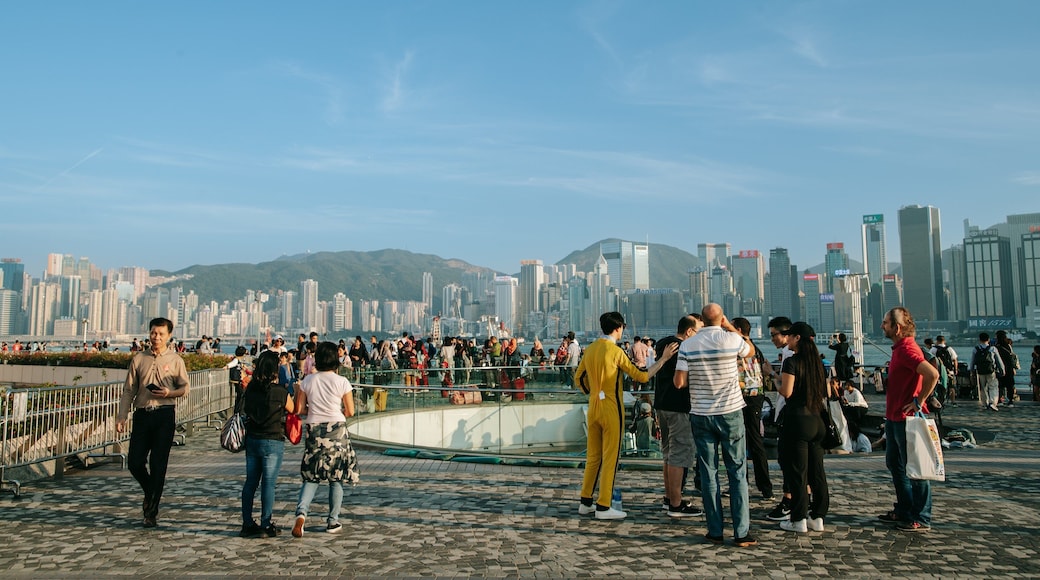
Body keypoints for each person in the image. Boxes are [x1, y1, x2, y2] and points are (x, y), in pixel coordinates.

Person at [575, 312, 677, 520]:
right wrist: (664, 359)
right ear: (619, 327)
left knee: (593, 457)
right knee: (611, 457)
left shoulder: (591, 348)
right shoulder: (615, 351)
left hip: (594, 406)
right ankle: (604, 505)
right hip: (611, 408)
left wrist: (593, 392)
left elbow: (579, 378)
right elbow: (641, 375)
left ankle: (586, 501)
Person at [674, 303, 757, 547]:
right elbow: (750, 351)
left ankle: (715, 530)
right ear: (721, 319)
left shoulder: (688, 345)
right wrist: (730, 327)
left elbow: (679, 381)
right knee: (737, 472)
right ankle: (741, 533)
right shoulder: (731, 339)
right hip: (730, 412)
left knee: (709, 473)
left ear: (702, 320)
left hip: (701, 413)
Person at [115, 317, 190, 528]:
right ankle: (151, 490)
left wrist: (169, 392)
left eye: (161, 334)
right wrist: (122, 415)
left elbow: (185, 388)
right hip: (142, 414)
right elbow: (129, 389)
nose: (156, 337)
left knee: (158, 464)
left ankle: (151, 512)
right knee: (135, 462)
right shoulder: (139, 359)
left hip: (165, 414)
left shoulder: (176, 360)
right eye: (153, 333)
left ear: (169, 336)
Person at [878, 307, 940, 533]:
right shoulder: (900, 349)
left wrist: (918, 400)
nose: (882, 326)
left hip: (907, 419)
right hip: (895, 418)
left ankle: (921, 517)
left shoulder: (906, 350)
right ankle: (904, 509)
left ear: (897, 327)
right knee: (896, 465)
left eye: (885, 323)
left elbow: (932, 374)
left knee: (915, 469)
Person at [291, 342, 360, 537]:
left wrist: (312, 409)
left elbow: (299, 409)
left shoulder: (308, 381)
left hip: (314, 429)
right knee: (335, 477)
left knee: (311, 476)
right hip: (336, 429)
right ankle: (332, 521)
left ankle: (301, 515)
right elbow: (350, 411)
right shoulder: (342, 382)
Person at [775, 322, 829, 533]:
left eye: (789, 336)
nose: (786, 339)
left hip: (797, 421)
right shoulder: (817, 363)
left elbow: (787, 391)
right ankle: (818, 517)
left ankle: (798, 519)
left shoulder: (792, 362)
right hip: (817, 420)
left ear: (797, 338)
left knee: (798, 473)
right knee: (817, 473)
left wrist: (774, 379)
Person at [239, 351, 295, 538]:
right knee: (268, 484)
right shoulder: (280, 392)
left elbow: (245, 409)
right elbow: (292, 408)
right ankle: (265, 523)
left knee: (250, 483)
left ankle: (247, 522)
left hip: (253, 439)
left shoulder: (251, 389)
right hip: (273, 440)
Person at [654, 314, 704, 517]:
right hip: (679, 406)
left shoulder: (663, 344)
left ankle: (669, 497)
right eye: (699, 331)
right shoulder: (684, 347)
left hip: (662, 404)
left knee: (668, 453)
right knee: (680, 454)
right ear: (689, 331)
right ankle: (675, 503)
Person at [732, 317, 774, 501]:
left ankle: (760, 486)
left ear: (739, 330)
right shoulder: (755, 348)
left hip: (746, 397)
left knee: (748, 442)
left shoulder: (743, 347)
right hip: (755, 397)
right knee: (750, 441)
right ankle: (759, 486)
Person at [763, 316, 796, 522]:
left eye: (774, 335)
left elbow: (785, 389)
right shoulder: (798, 353)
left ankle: (789, 501)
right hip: (796, 413)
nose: (772, 339)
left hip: (789, 413)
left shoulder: (789, 355)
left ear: (786, 334)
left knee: (788, 459)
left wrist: (771, 374)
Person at [969, 332, 1005, 412]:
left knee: (983, 388)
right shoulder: (993, 349)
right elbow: (998, 361)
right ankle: (993, 403)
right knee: (993, 387)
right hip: (991, 371)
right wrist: (1002, 370)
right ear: (988, 339)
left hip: (980, 371)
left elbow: (972, 361)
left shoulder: (976, 349)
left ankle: (985, 403)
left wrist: (971, 371)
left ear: (980, 339)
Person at [994, 330, 1019, 407]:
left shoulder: (996, 346)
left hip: (1000, 368)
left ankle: (1000, 400)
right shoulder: (1008, 346)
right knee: (1010, 385)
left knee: (999, 385)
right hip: (1009, 368)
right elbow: (1012, 357)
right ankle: (1010, 401)